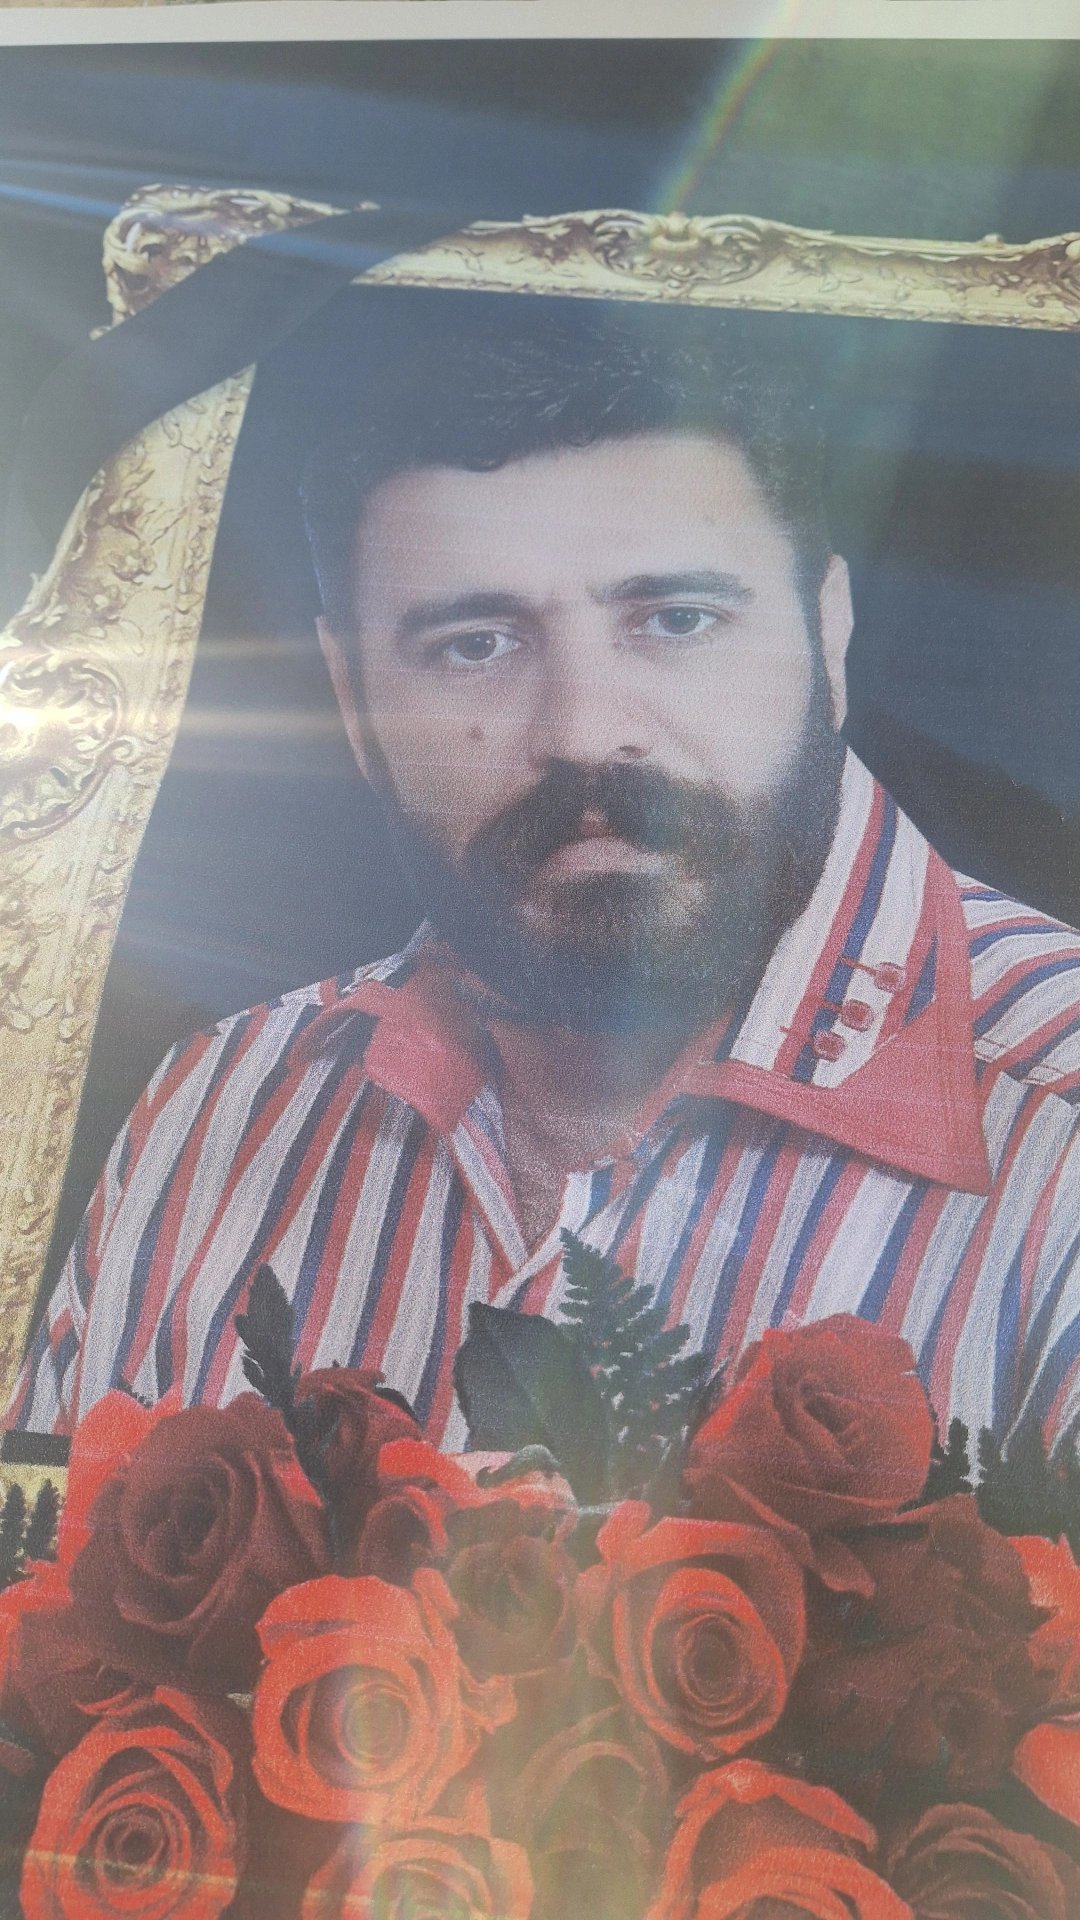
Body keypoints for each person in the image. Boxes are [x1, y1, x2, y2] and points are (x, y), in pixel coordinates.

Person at [9, 305, 1080, 1457]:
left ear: (829, 632)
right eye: (475, 644)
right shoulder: (209, 1109)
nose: (583, 731)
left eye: (677, 619)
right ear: (355, 701)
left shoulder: (1058, 1121)